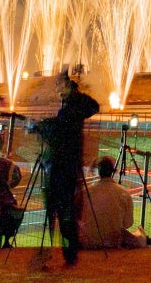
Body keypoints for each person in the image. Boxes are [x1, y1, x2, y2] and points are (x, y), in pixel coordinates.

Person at [29, 71, 100, 265]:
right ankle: (66, 252)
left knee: (61, 209)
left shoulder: (73, 106)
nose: (57, 89)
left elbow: (62, 126)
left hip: (63, 166)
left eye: (59, 85)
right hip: (67, 165)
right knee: (63, 209)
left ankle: (62, 251)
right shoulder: (71, 107)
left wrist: (40, 126)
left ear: (67, 86)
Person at [86, 155, 138, 250]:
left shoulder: (86, 192)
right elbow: (128, 223)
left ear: (99, 172)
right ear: (112, 171)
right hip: (112, 243)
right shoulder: (124, 193)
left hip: (88, 243)